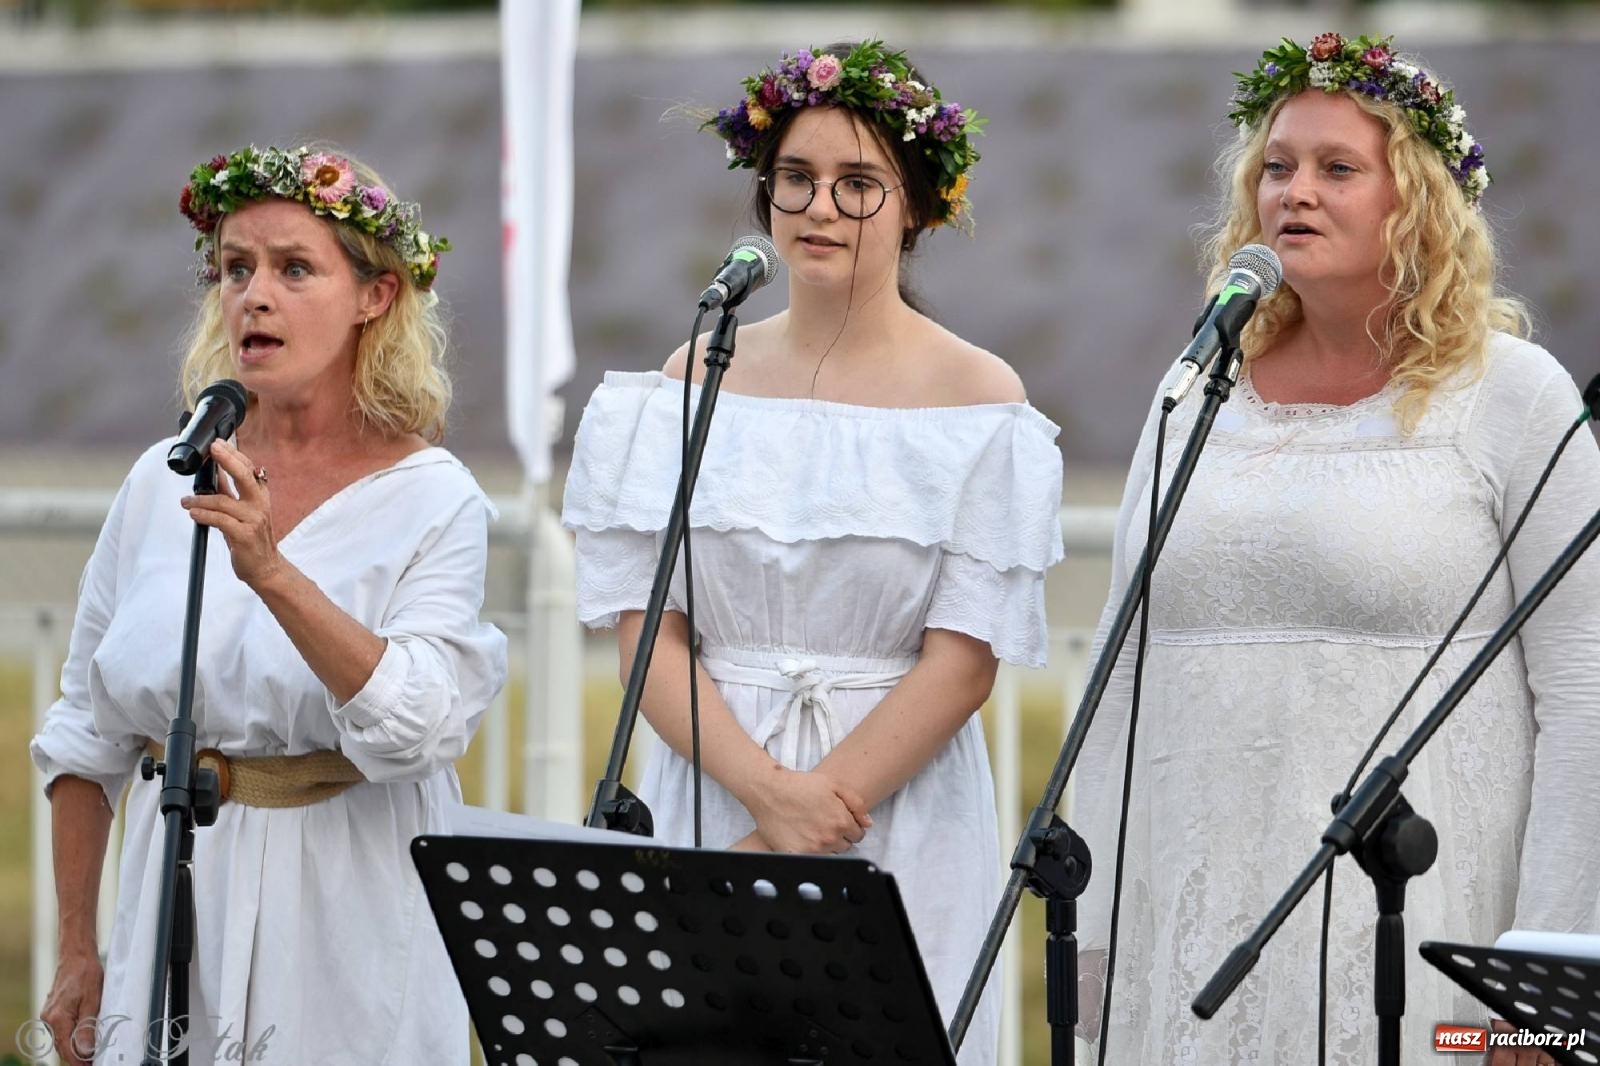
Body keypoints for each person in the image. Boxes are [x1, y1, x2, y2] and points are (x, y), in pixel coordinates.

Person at [1073, 33, 1600, 1065]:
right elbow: (1119, 662)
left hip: (1417, 916)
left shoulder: (1513, 394)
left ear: (1419, 202)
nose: (1295, 192)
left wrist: (1549, 978)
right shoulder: (1198, 386)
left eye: (1337, 168)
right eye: (1276, 167)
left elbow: (1587, 687)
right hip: (1193, 915)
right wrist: (1096, 935)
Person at [561, 40, 1063, 1065]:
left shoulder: (979, 399)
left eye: (857, 185)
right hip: (718, 783)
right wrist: (762, 796)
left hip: (889, 803)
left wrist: (814, 809)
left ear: (918, 208)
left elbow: (962, 661)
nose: (820, 208)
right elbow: (649, 638)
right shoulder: (693, 376)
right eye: (796, 178)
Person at [31, 145, 507, 1065]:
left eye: (294, 269)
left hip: (347, 901)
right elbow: (86, 734)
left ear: (375, 296)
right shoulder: (161, 478)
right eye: (236, 268)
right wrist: (78, 949)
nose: (255, 295)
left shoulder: (433, 496)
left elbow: (418, 728)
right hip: (174, 884)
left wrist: (273, 573)